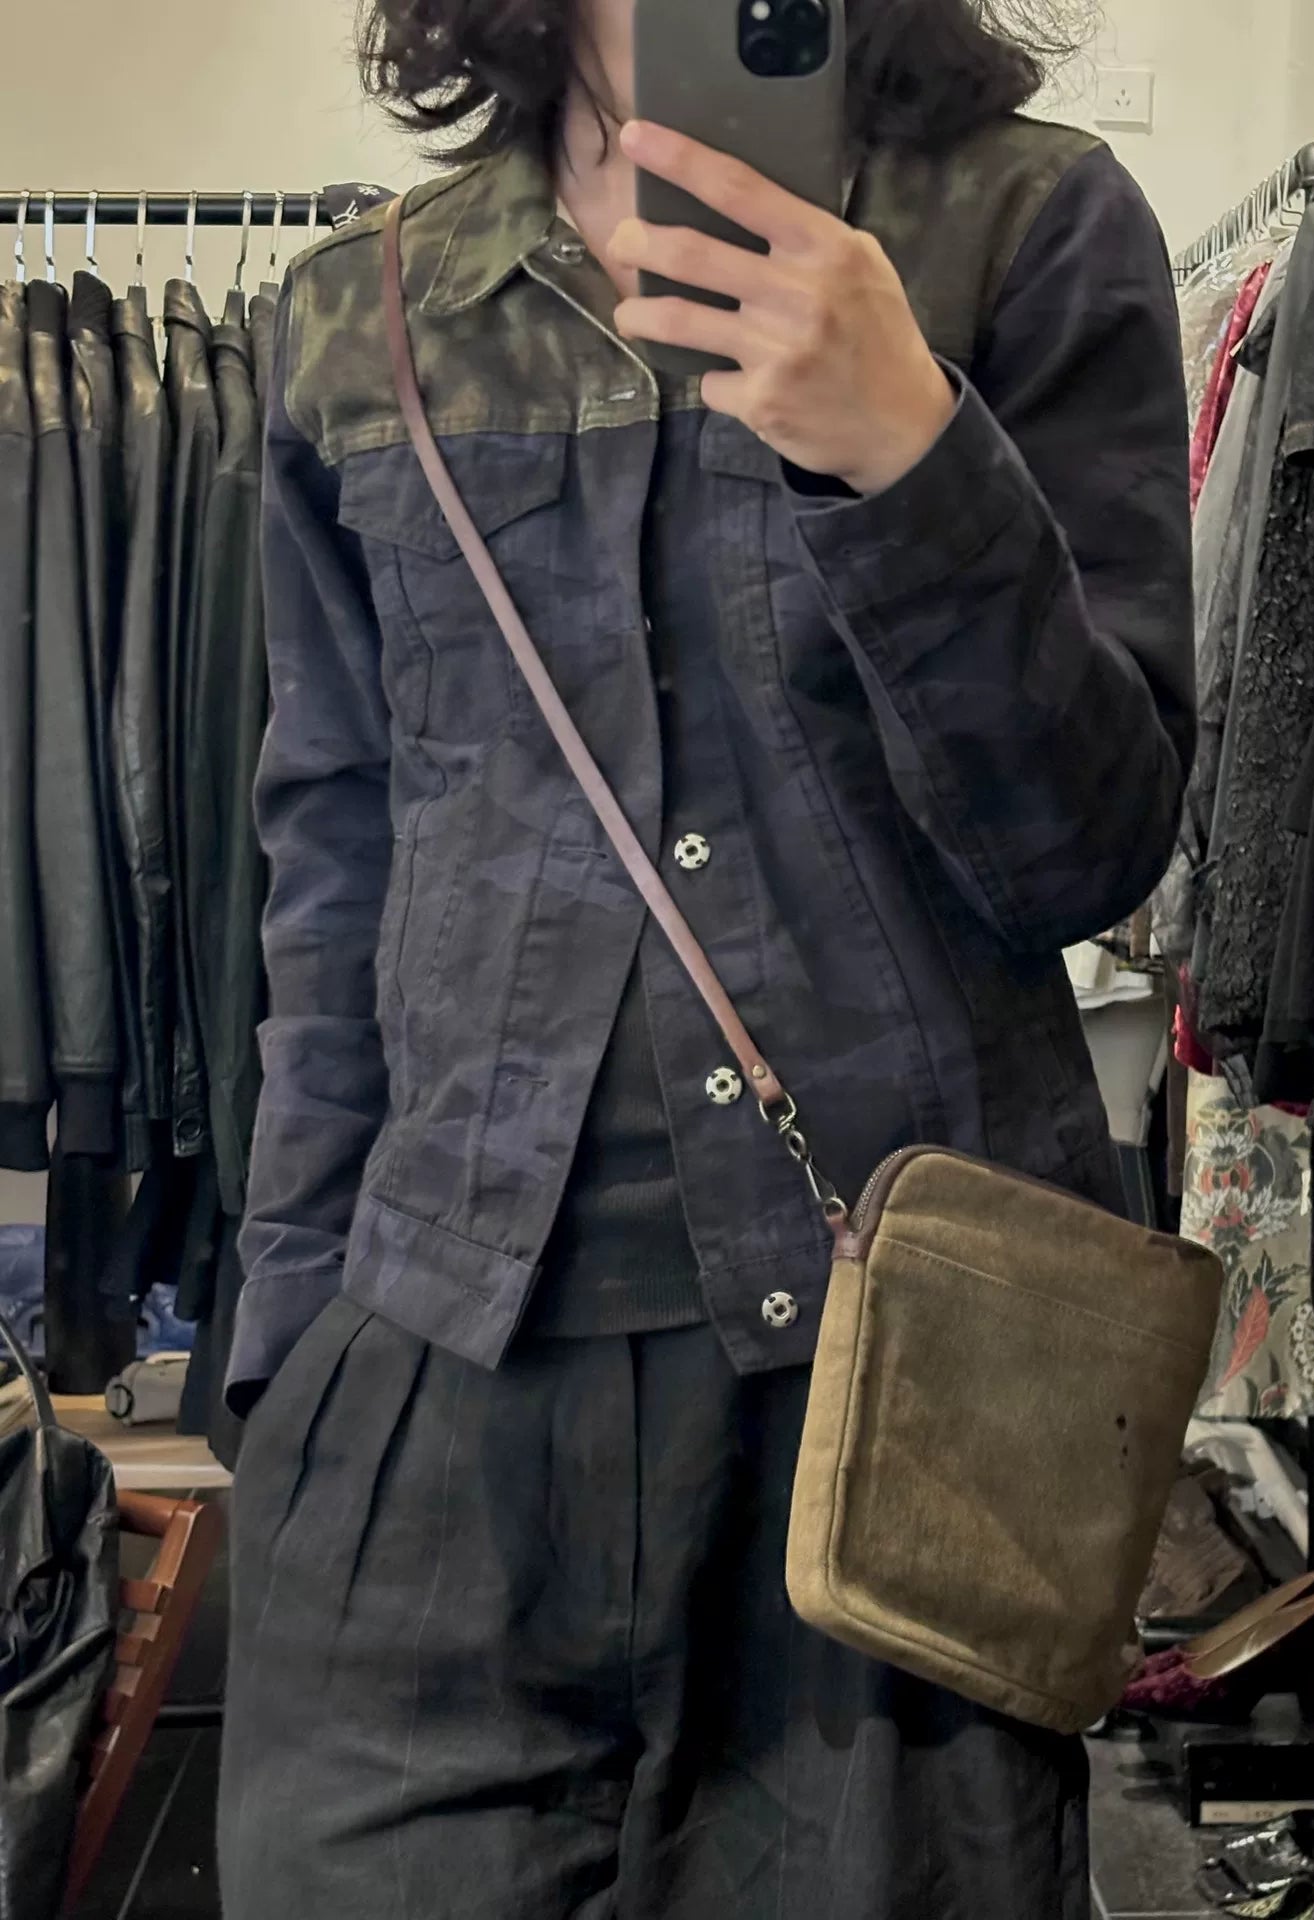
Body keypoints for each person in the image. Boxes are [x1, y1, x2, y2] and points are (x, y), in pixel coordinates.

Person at [218, 1, 1193, 1913]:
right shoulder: (363, 311)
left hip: (892, 1426)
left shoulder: (1029, 230)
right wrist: (289, 1364)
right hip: (430, 1417)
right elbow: (332, 864)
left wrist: (909, 458)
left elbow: (1085, 853)